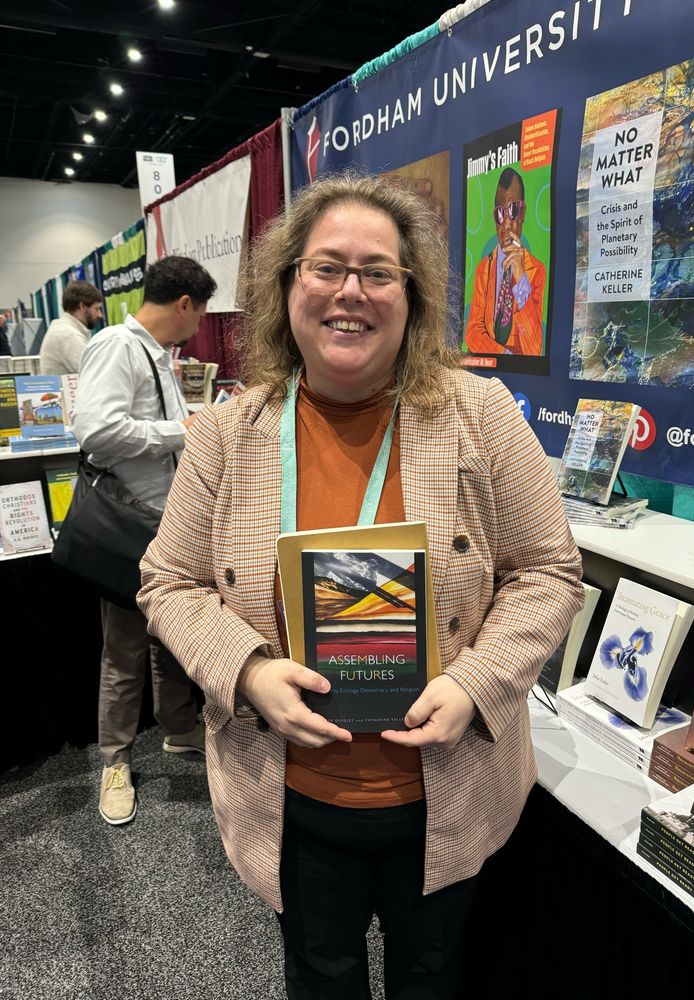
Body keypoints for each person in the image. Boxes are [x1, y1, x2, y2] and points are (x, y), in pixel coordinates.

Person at [138, 173, 583, 999]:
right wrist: (246, 670)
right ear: (287, 286)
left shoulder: (481, 416)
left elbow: (549, 570)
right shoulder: (229, 434)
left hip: (445, 795)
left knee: (432, 977)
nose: (352, 292)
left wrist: (478, 682)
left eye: (378, 272)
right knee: (321, 976)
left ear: (410, 296)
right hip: (292, 801)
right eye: (327, 268)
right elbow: (168, 581)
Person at [74, 255, 217, 826]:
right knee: (127, 649)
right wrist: (177, 430)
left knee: (171, 638)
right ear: (185, 304)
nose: (197, 325)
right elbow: (96, 430)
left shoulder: (158, 356)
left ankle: (180, 728)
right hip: (132, 526)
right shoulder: (117, 345)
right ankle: (114, 761)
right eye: (200, 313)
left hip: (168, 523)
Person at [464, 166, 546, 357]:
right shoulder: (484, 268)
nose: (506, 224)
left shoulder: (537, 270)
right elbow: (473, 333)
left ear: (523, 212)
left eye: (513, 210)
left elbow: (534, 348)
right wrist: (504, 356)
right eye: (500, 214)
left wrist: (521, 279)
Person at [39, 280, 104, 374]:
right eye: (97, 309)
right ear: (82, 306)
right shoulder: (68, 335)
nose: (100, 315)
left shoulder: (64, 328)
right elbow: (97, 373)